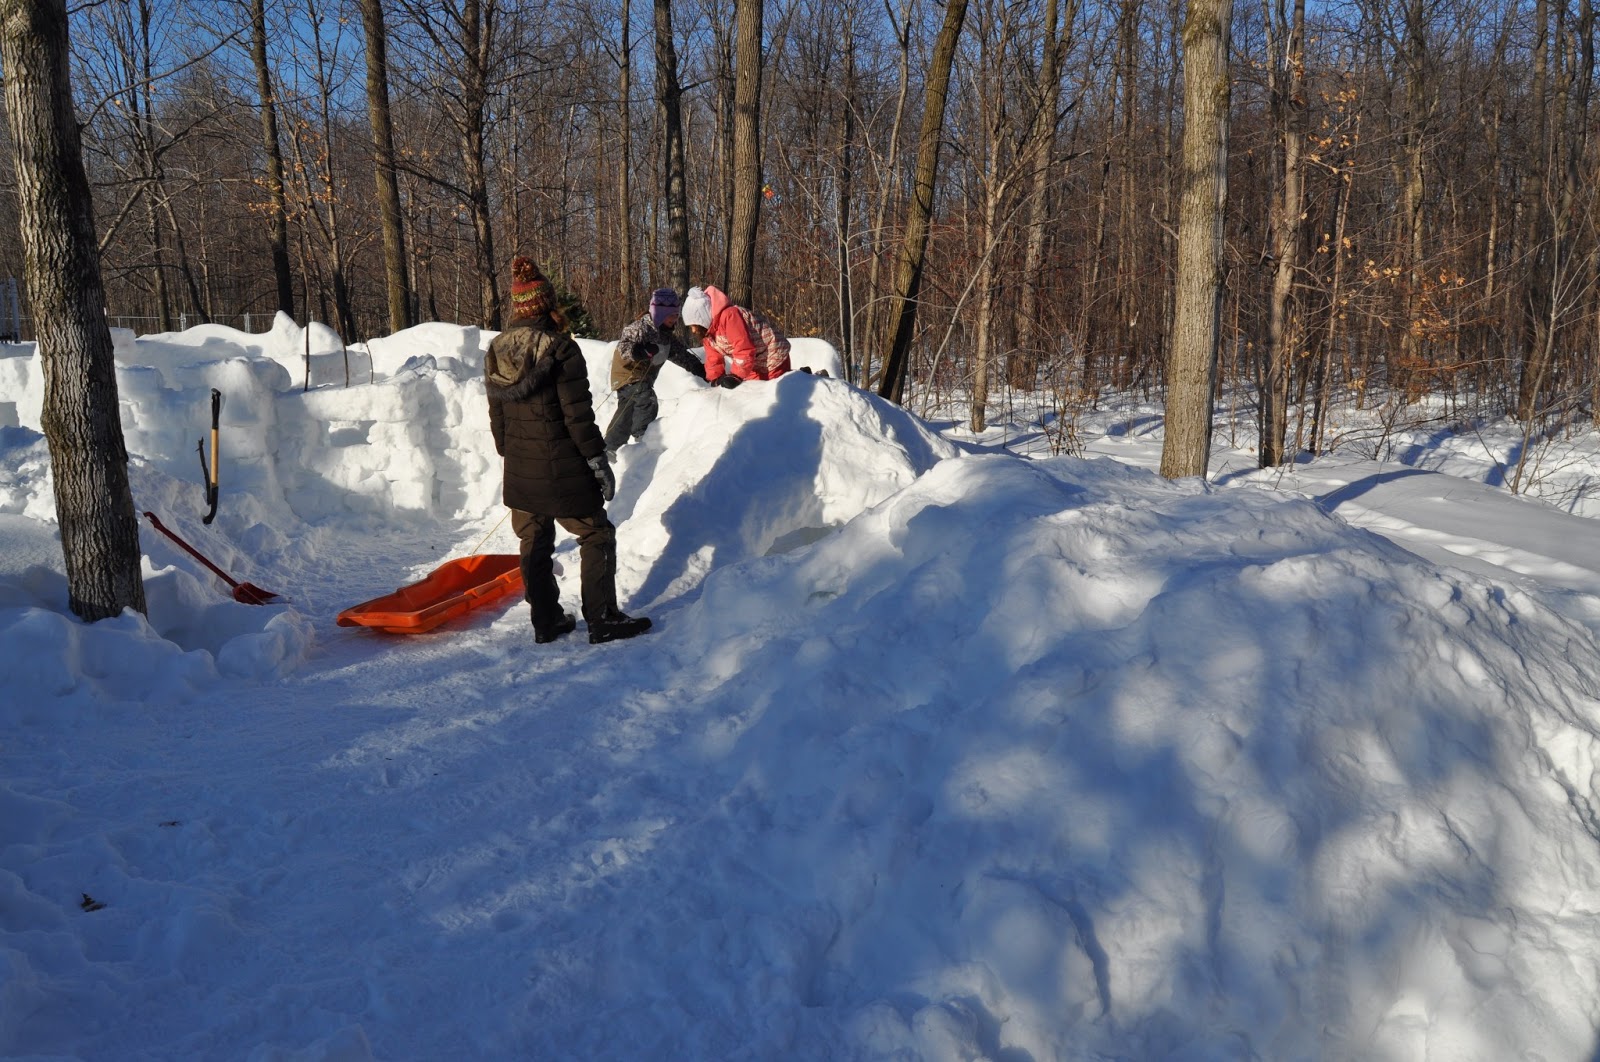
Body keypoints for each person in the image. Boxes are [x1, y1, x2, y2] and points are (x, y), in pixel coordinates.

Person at [484, 256, 651, 646]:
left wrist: (511, 454)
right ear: (547, 304)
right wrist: (597, 461)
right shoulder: (560, 350)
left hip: (521, 470)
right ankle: (602, 618)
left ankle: (546, 621)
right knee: (596, 534)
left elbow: (498, 417)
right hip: (561, 465)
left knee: (534, 542)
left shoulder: (495, 349)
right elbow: (578, 416)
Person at [603, 287, 705, 454]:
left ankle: (610, 448)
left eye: (677, 315)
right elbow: (623, 346)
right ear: (661, 314)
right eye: (672, 315)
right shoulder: (640, 328)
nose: (675, 319)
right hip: (626, 372)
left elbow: (683, 357)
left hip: (643, 378)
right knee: (646, 399)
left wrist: (703, 371)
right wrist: (638, 351)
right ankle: (642, 438)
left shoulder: (667, 337)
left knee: (627, 412)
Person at [679, 284, 791, 388]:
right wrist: (716, 379)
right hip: (753, 362)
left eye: (695, 325)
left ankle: (800, 380)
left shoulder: (730, 316)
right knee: (752, 392)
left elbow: (743, 348)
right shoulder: (708, 334)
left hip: (773, 355)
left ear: (702, 319)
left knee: (773, 390)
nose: (693, 330)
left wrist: (735, 375)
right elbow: (713, 358)